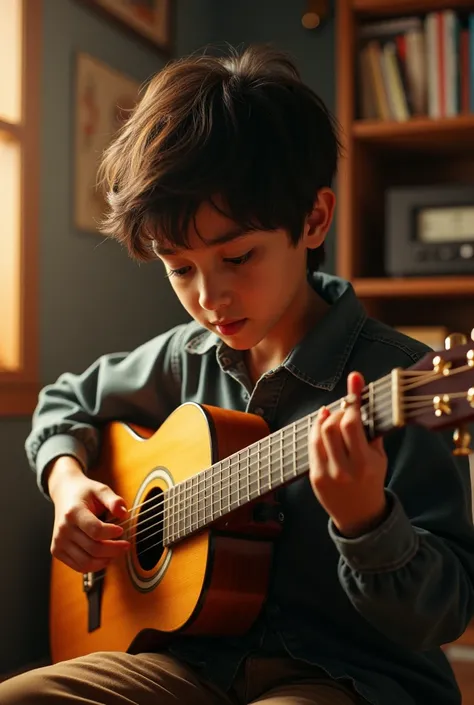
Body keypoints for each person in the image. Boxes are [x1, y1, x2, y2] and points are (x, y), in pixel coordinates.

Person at [2, 43, 474, 705]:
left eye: (238, 256)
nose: (209, 297)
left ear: (313, 220)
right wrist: (68, 482)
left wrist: (369, 522)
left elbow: (446, 609)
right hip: (191, 664)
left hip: (349, 678)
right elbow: (63, 402)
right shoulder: (182, 356)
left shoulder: (409, 379)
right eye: (179, 266)